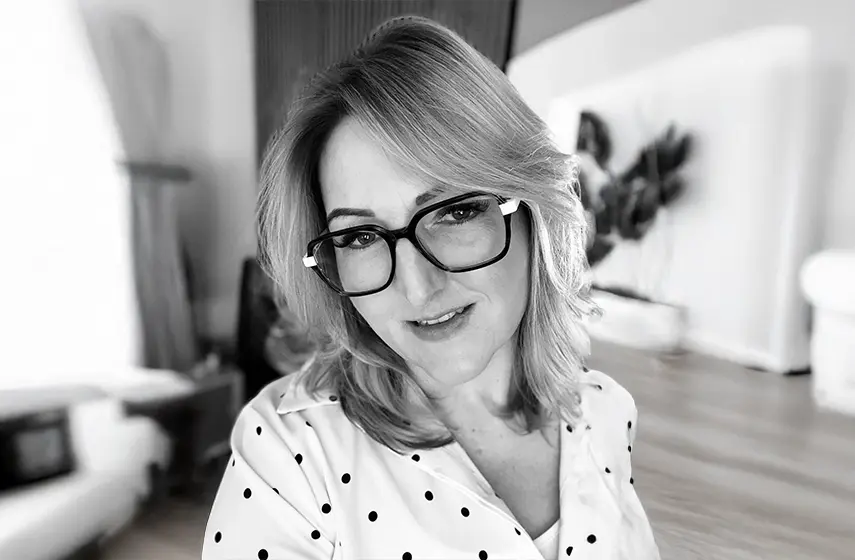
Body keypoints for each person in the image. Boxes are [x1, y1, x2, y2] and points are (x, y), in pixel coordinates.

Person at [202, 15, 660, 560]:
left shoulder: (604, 412)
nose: (418, 288)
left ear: (531, 208)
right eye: (360, 237)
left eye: (454, 211)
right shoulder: (287, 456)